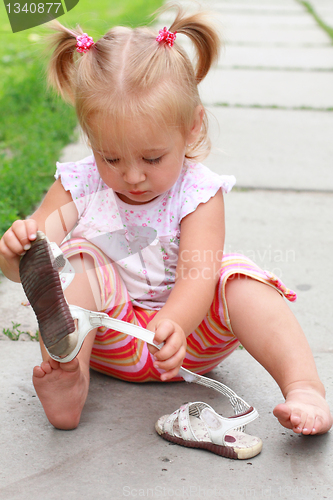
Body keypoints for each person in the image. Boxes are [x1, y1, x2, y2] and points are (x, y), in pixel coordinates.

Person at [0, 6, 331, 441]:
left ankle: (304, 388)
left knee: (240, 278)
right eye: (111, 157)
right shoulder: (79, 182)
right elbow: (36, 271)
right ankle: (69, 378)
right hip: (107, 338)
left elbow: (198, 274)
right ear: (90, 137)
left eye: (152, 158)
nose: (132, 176)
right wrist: (16, 252)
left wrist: (175, 321)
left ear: (191, 129)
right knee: (76, 262)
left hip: (187, 344)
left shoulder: (198, 192)